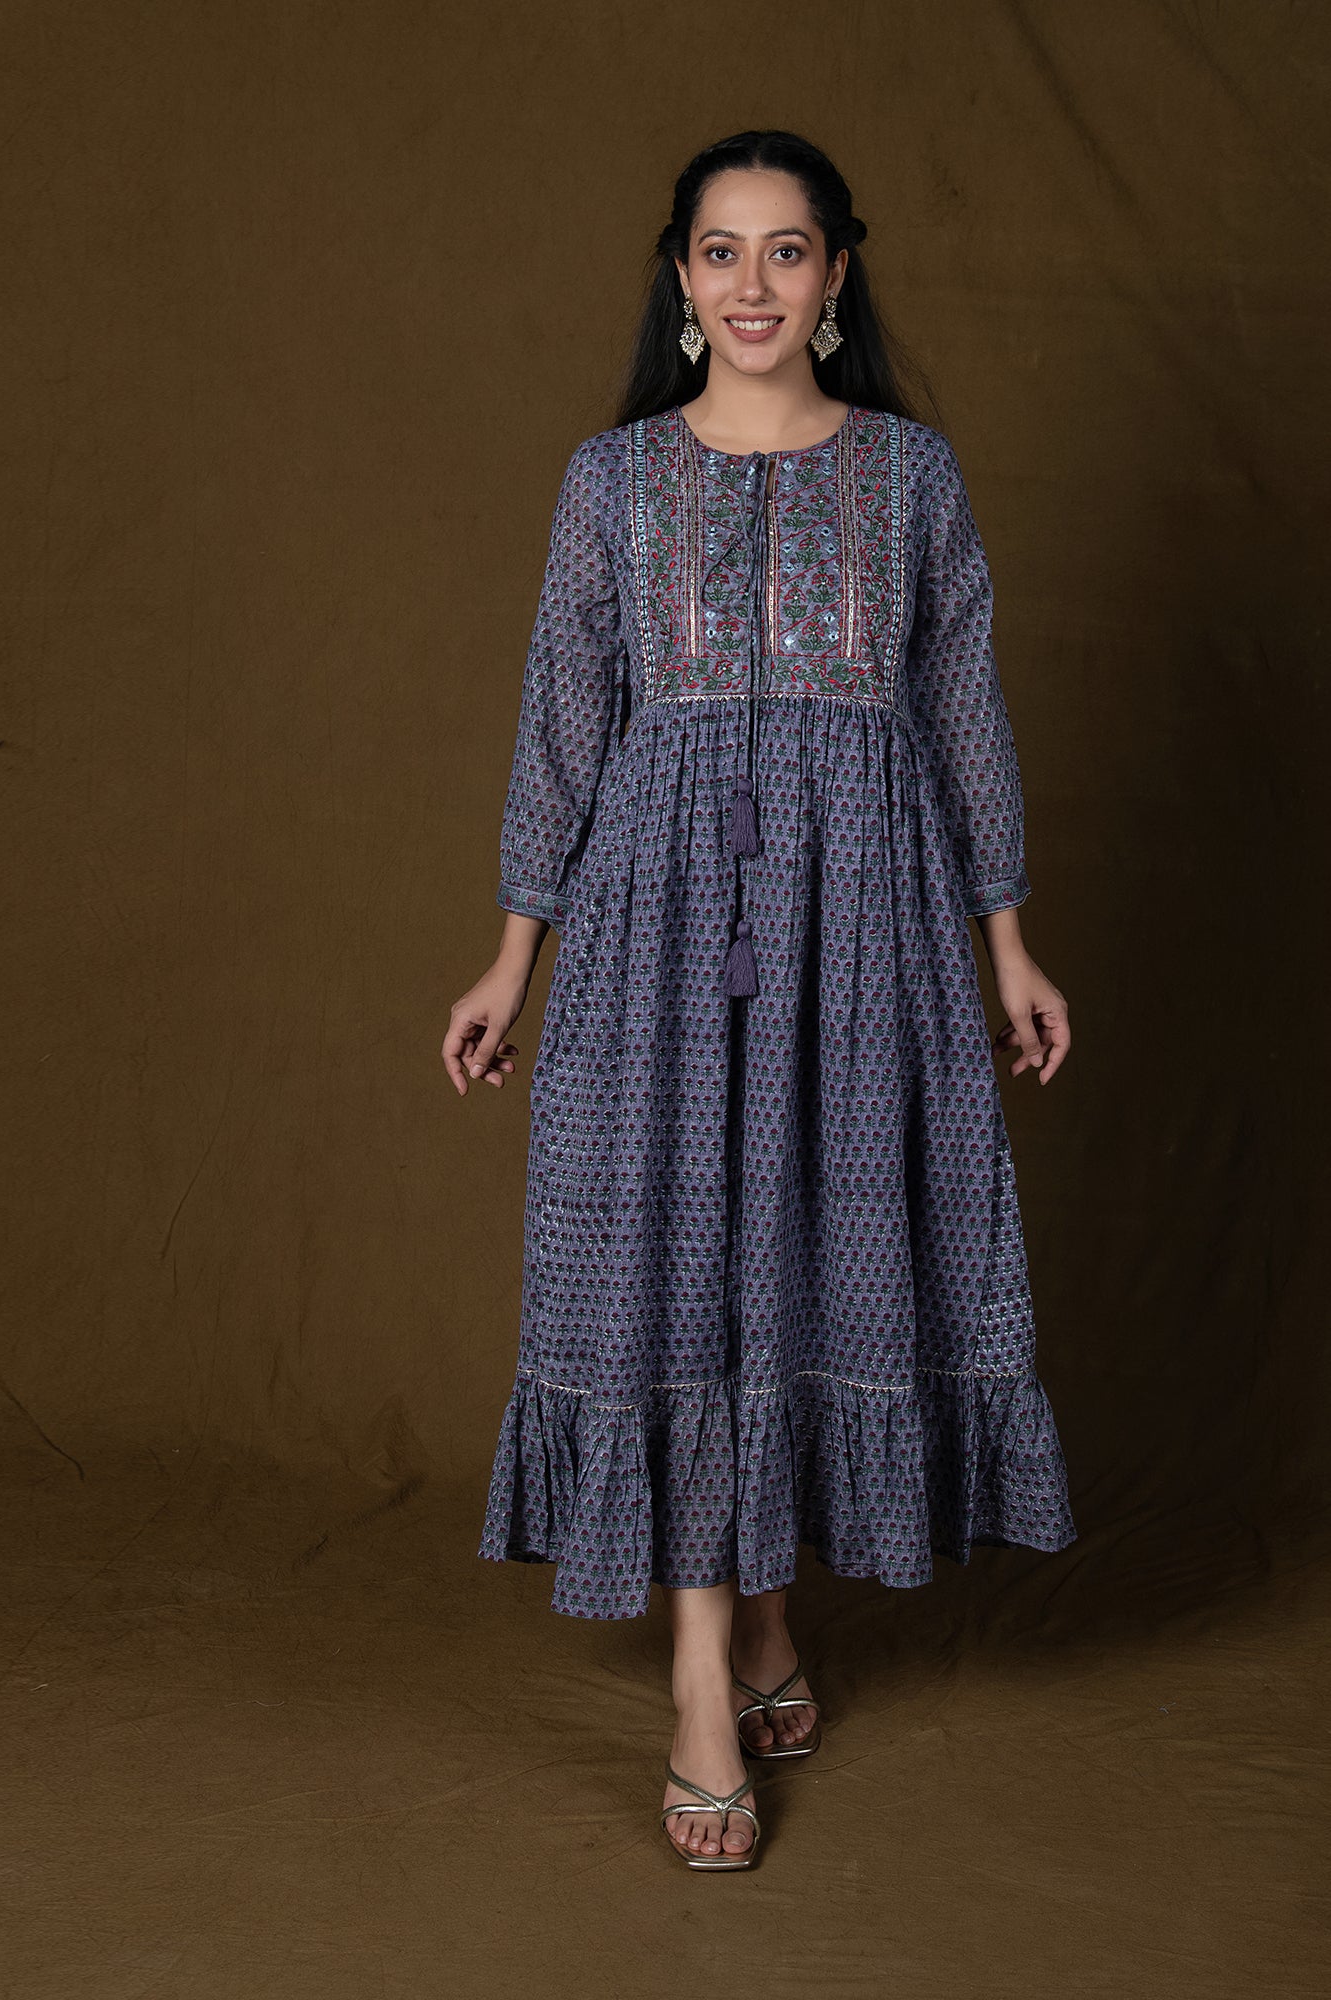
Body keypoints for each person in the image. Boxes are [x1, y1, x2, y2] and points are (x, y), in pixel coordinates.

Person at [442, 129, 1079, 1870]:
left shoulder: (913, 476)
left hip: (867, 920)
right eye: (719, 252)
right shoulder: (612, 482)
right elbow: (564, 716)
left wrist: (1010, 943)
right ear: (679, 275)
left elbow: (964, 709)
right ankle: (701, 1681)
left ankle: (772, 1615)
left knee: (806, 1247)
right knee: (676, 1266)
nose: (751, 286)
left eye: (785, 251)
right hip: (655, 923)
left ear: (838, 275)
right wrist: (512, 954)